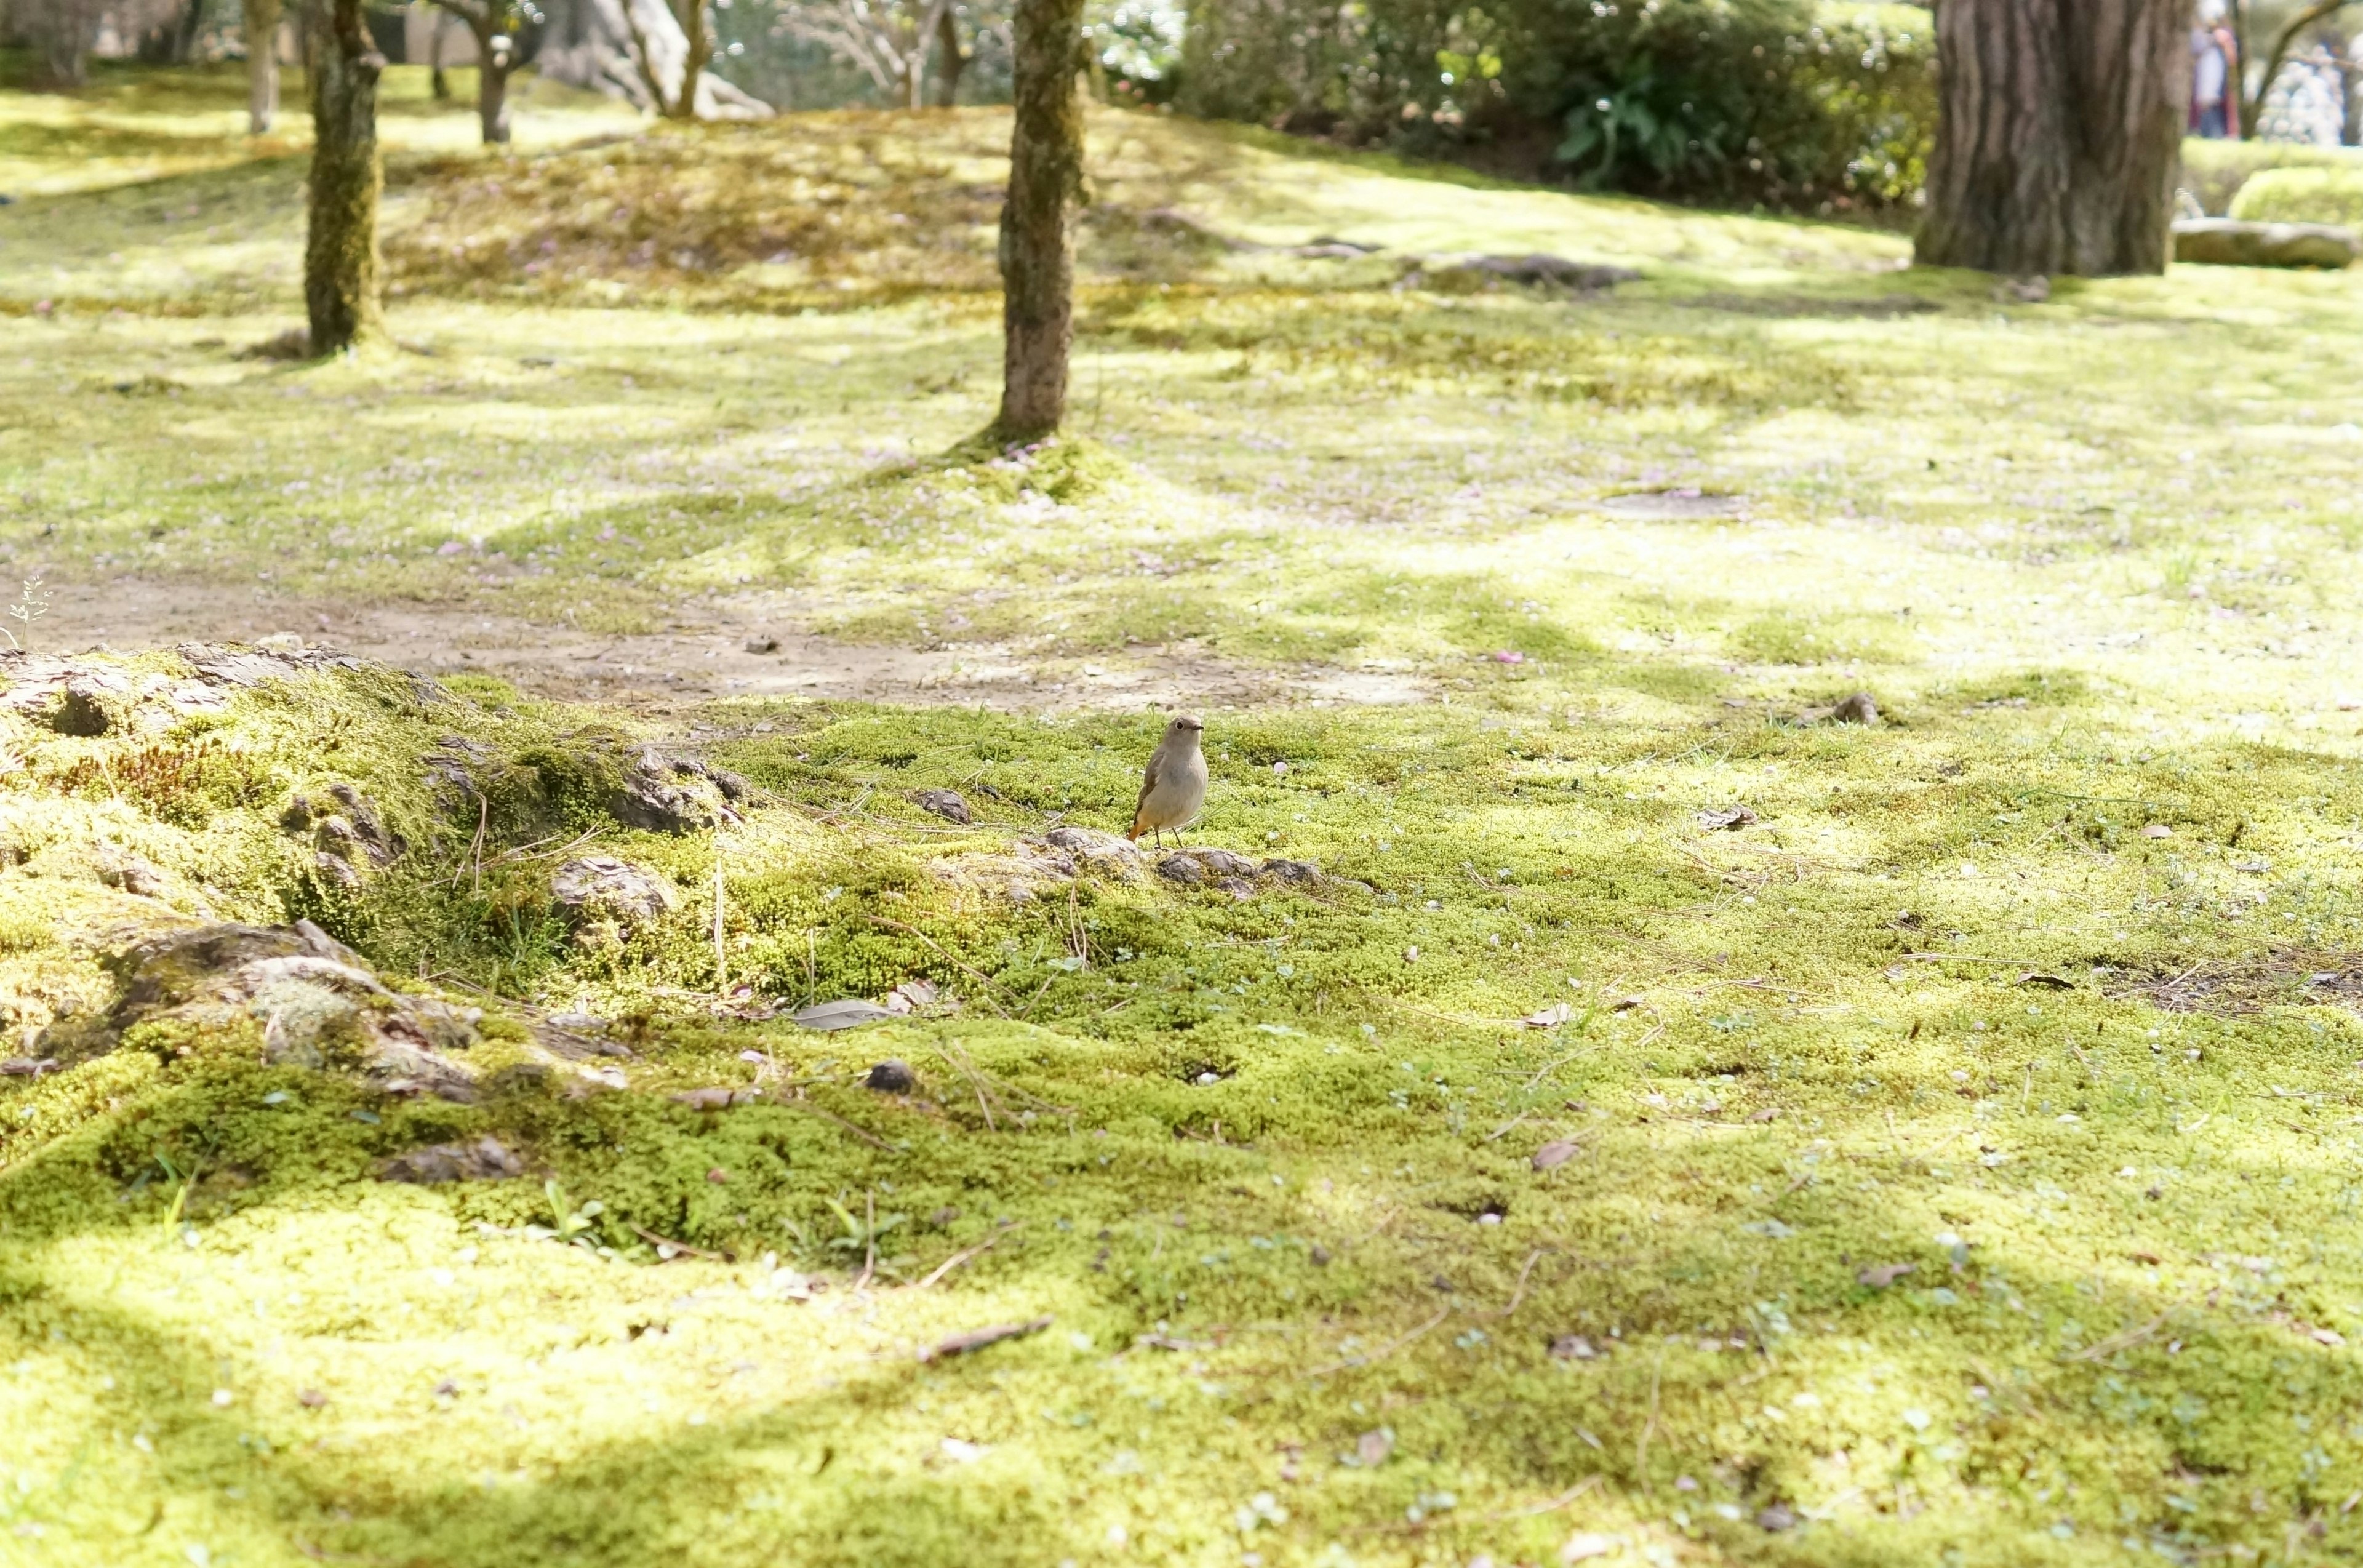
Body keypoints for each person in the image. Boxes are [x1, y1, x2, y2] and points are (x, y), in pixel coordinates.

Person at [2193, 1, 2241, 139]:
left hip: (2218, 93)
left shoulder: (2224, 38)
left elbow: (2232, 58)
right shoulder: (2200, 37)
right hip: (2202, 86)